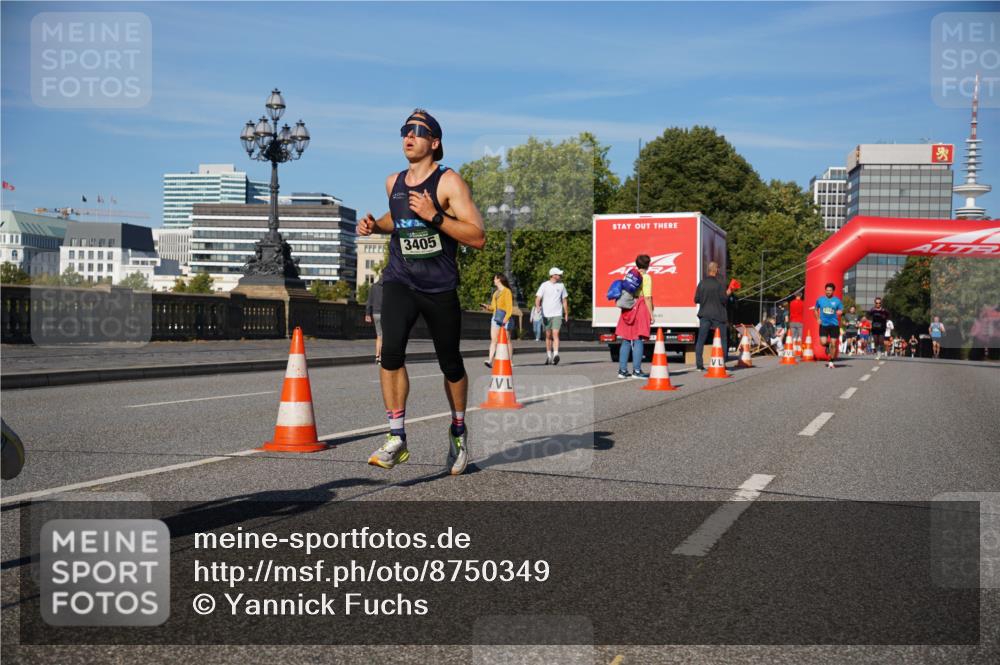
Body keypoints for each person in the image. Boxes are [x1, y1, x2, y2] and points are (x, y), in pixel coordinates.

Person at [357, 108, 486, 475]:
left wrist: (435, 216)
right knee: (390, 354)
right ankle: (396, 436)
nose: (408, 136)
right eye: (405, 130)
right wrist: (375, 226)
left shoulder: (448, 183)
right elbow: (396, 219)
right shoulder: (393, 182)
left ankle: (458, 430)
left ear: (435, 141)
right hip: (400, 280)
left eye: (417, 130)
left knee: (450, 363)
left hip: (439, 287)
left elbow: (478, 236)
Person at [615, 254, 653, 379]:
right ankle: (636, 371)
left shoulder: (630, 275)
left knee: (626, 339)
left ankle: (622, 370)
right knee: (638, 339)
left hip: (628, 307)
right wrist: (651, 315)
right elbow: (647, 297)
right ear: (648, 265)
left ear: (637, 264)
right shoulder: (646, 277)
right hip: (640, 307)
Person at [693, 261, 733, 370]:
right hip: (718, 315)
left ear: (708, 270)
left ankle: (699, 365)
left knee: (701, 339)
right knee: (723, 339)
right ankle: (722, 363)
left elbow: (696, 299)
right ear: (716, 270)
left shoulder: (701, 283)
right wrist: (728, 292)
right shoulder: (719, 284)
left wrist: (705, 299)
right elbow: (724, 300)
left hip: (704, 314)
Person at [536, 267, 569, 365]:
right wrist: (537, 306)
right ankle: (549, 356)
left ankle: (556, 355)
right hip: (546, 314)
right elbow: (538, 298)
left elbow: (564, 300)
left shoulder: (561, 286)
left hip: (557, 314)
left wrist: (566, 313)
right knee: (548, 335)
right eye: (558, 274)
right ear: (553, 275)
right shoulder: (544, 285)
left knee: (556, 333)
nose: (560, 276)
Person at [482, 273, 514, 368]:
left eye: (495, 279)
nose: (494, 280)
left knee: (507, 340)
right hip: (495, 318)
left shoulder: (507, 291)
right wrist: (487, 307)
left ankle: (510, 361)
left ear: (499, 279)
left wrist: (506, 319)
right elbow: (493, 307)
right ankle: (490, 360)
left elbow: (509, 307)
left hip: (505, 318)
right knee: (494, 340)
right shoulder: (495, 293)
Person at [812, 282, 844, 369]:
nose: (828, 292)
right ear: (825, 290)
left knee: (834, 344)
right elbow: (815, 309)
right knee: (823, 342)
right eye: (827, 290)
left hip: (834, 325)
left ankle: (831, 361)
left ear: (833, 291)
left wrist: (840, 312)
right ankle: (827, 345)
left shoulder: (837, 301)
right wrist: (818, 318)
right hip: (824, 324)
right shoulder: (820, 300)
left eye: (830, 290)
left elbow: (841, 310)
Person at [365, 276, 384, 364]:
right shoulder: (387, 287)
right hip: (385, 314)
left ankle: (377, 356)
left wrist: (367, 313)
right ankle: (381, 357)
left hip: (375, 313)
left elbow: (369, 301)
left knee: (379, 336)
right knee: (384, 336)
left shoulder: (373, 286)